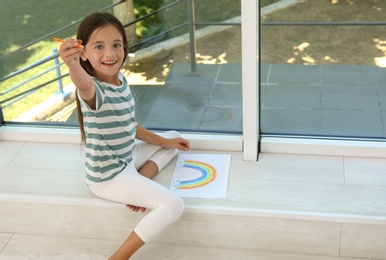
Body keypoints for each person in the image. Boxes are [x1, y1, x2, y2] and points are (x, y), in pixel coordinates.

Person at [58, 12, 190, 259]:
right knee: (173, 205)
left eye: (116, 45)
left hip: (127, 157)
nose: (110, 54)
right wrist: (72, 65)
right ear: (83, 52)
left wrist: (166, 142)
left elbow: (130, 125)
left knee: (174, 138)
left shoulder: (121, 80)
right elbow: (81, 83)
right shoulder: (92, 90)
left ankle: (142, 180)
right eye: (99, 47)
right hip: (108, 177)